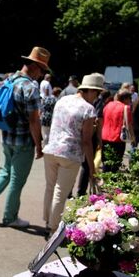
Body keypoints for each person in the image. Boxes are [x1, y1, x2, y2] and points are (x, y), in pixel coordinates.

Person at [0, 46, 50, 228]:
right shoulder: (30, 87)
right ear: (34, 65)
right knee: (17, 180)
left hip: (6, 137)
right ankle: (10, 218)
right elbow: (34, 121)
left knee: (6, 172)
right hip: (23, 141)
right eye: (42, 70)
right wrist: (39, 146)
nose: (41, 75)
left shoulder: (10, 79)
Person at [42, 73, 102, 235]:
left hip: (51, 149)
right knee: (60, 192)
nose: (96, 98)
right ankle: (53, 229)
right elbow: (87, 141)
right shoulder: (88, 109)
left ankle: (47, 221)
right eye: (97, 94)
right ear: (90, 91)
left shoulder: (62, 100)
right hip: (70, 154)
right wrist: (92, 168)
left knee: (50, 187)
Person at [101, 89, 134, 172]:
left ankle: (105, 180)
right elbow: (128, 124)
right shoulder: (125, 108)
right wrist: (133, 137)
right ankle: (113, 181)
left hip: (105, 136)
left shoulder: (108, 105)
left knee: (106, 161)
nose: (130, 101)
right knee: (116, 162)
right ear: (125, 99)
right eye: (130, 98)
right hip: (117, 138)